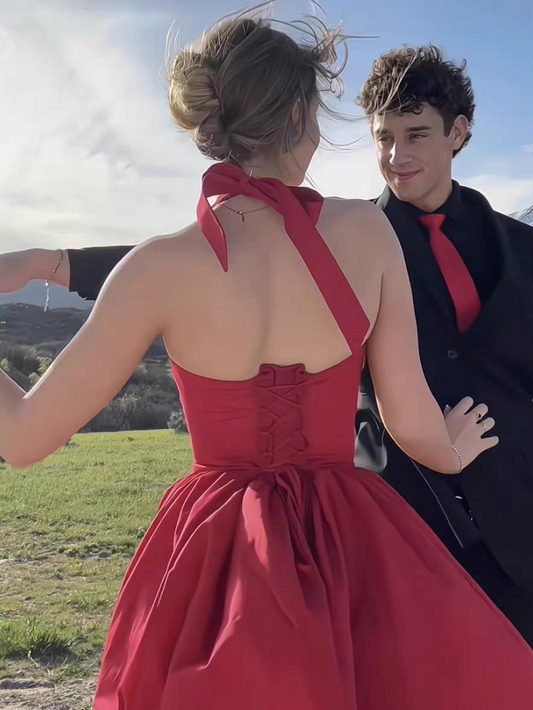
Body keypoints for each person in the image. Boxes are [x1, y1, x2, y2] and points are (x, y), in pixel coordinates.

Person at [1, 18, 533, 708]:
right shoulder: (367, 232)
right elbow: (409, 420)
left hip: (218, 549)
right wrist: (452, 448)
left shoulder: (155, 267)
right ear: (298, 116)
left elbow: (22, 438)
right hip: (346, 532)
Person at [354, 45, 533, 645]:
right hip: (406, 520)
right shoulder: (347, 245)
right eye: (383, 137)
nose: (395, 156)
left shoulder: (522, 247)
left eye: (416, 134)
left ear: (457, 133)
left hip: (522, 525)